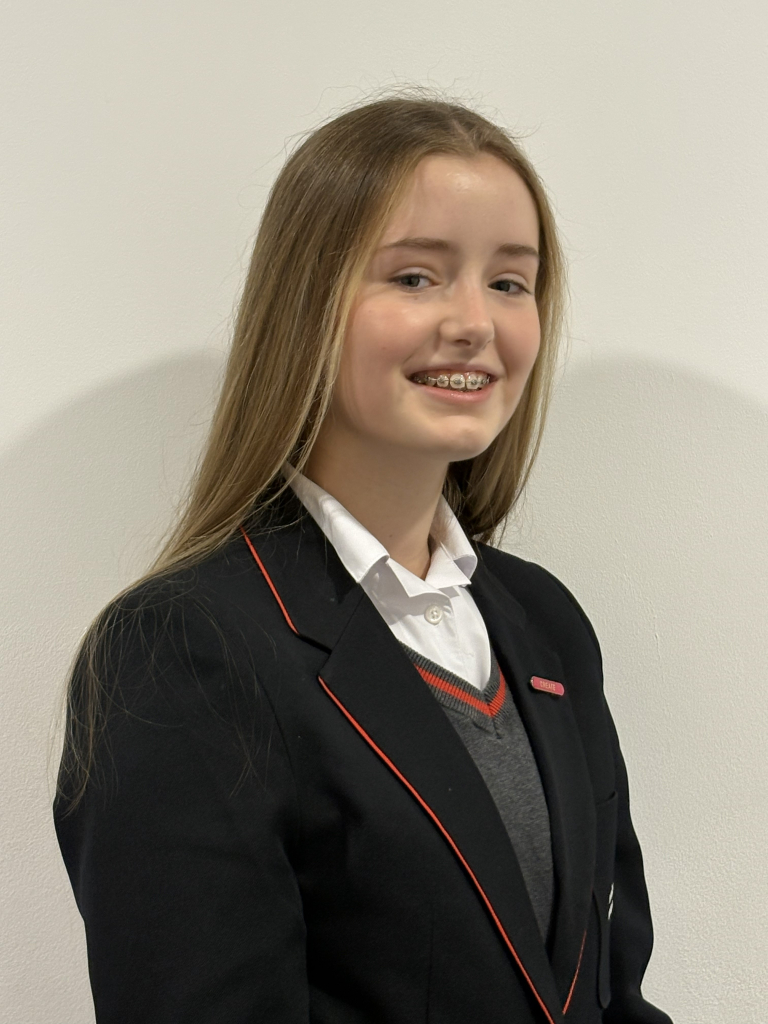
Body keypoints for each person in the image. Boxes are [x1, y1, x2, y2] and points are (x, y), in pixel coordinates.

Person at [54, 89, 674, 1024]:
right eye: (417, 277)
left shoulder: (546, 622)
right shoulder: (181, 650)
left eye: (511, 282)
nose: (476, 321)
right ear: (307, 303)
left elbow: (612, 992)